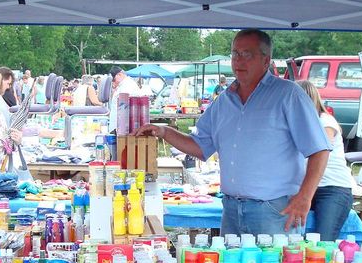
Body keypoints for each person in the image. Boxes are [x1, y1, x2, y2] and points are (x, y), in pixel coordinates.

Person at [135, 29, 331, 235]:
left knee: (275, 258)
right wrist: (164, 132)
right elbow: (201, 147)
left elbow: (319, 150)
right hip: (231, 210)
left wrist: (305, 197)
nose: (238, 61)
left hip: (275, 211)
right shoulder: (223, 101)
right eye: (235, 54)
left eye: (247, 54)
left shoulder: (288, 94)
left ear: (266, 60)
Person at [296, 80, 355, 240]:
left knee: (323, 240)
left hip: (333, 188)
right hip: (306, 187)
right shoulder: (297, 124)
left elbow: (321, 150)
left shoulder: (325, 121)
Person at [108, 65, 140, 130]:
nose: (113, 82)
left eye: (113, 79)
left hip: (122, 125)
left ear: (119, 75)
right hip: (119, 123)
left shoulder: (127, 85)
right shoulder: (124, 85)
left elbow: (124, 107)